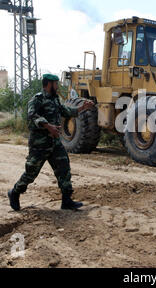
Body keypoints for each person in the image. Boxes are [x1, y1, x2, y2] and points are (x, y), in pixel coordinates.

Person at [8, 74, 94, 211]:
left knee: (64, 168)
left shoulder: (55, 100)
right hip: (39, 144)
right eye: (56, 84)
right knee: (31, 174)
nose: (57, 86)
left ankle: (66, 201)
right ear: (48, 84)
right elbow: (32, 116)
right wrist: (48, 126)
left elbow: (65, 111)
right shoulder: (37, 99)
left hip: (54, 143)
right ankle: (15, 192)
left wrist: (82, 108)